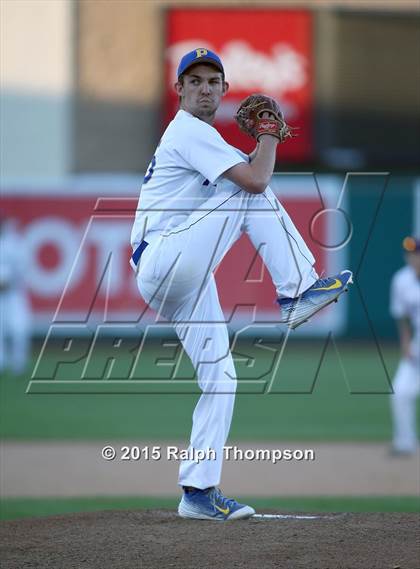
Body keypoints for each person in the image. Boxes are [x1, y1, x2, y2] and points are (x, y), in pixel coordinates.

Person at [130, 48, 352, 521]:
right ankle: (297, 291)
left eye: (213, 81)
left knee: (221, 378)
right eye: (195, 80)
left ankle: (197, 491)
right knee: (252, 194)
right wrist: (270, 136)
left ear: (225, 91)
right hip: (164, 258)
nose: (205, 88)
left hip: (180, 274)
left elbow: (250, 170)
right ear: (180, 90)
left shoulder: (209, 141)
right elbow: (255, 181)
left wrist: (264, 142)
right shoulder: (188, 131)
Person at [389, 236, 420, 455]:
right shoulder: (402, 280)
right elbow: (402, 317)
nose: (413, 258)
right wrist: (406, 344)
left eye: (416, 253)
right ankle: (405, 443)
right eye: (409, 254)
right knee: (400, 392)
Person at [0, 214, 31, 376]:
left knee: (19, 329)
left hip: (14, 294)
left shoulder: (15, 243)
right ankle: (1, 362)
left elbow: (23, 268)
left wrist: (9, 281)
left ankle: (19, 363)